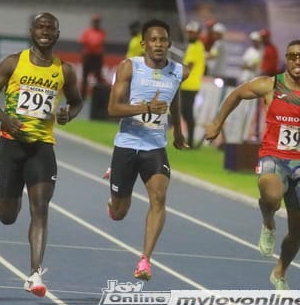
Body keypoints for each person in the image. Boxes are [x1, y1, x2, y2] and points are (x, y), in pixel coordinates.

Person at [204, 40, 300, 290]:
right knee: (272, 195)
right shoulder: (269, 84)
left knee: (298, 230)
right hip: (273, 157)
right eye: (293, 56)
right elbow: (236, 94)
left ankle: (280, 271)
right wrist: (217, 123)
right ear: (286, 58)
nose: (298, 60)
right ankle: (268, 222)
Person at [0, 12, 83, 297]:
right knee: (8, 216)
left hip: (42, 146)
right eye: (41, 27)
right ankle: (3, 179)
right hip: (12, 144)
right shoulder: (14, 62)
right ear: (32, 32)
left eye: (51, 28)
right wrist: (5, 118)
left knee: (40, 208)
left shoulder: (65, 71)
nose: (46, 31)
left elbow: (76, 102)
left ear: (57, 34)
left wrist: (67, 115)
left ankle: (35, 274)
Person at [106, 19, 188, 281]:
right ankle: (114, 190)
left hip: (155, 147)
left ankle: (145, 260)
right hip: (127, 145)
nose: (158, 44)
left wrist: (178, 130)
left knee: (159, 197)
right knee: (119, 213)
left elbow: (174, 97)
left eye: (163, 40)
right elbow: (113, 109)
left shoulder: (178, 71)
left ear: (169, 44)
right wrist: (145, 108)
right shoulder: (130, 67)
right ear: (143, 44)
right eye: (153, 40)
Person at [181, 20, 206, 148]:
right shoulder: (197, 46)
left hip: (190, 84)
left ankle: (190, 141)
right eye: (189, 32)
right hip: (189, 84)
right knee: (185, 112)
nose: (190, 35)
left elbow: (189, 65)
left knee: (187, 113)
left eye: (192, 33)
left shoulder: (195, 47)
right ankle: (189, 140)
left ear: (197, 34)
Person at [78, 14, 106, 99]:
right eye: (95, 21)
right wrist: (92, 46)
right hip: (88, 56)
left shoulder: (102, 32)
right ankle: (83, 96)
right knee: (85, 77)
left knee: (98, 76)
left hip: (97, 57)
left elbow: (100, 42)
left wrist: (92, 45)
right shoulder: (87, 32)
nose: (96, 23)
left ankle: (99, 95)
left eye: (97, 21)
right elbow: (83, 41)